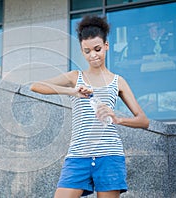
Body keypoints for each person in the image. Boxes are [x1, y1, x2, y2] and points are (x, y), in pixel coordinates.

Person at [30, 15, 149, 198]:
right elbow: (36, 86)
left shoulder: (118, 82)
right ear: (82, 50)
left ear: (106, 46)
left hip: (109, 155)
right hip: (78, 155)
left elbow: (143, 121)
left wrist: (117, 118)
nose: (93, 55)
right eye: (87, 51)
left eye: (97, 49)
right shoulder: (74, 77)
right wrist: (72, 92)